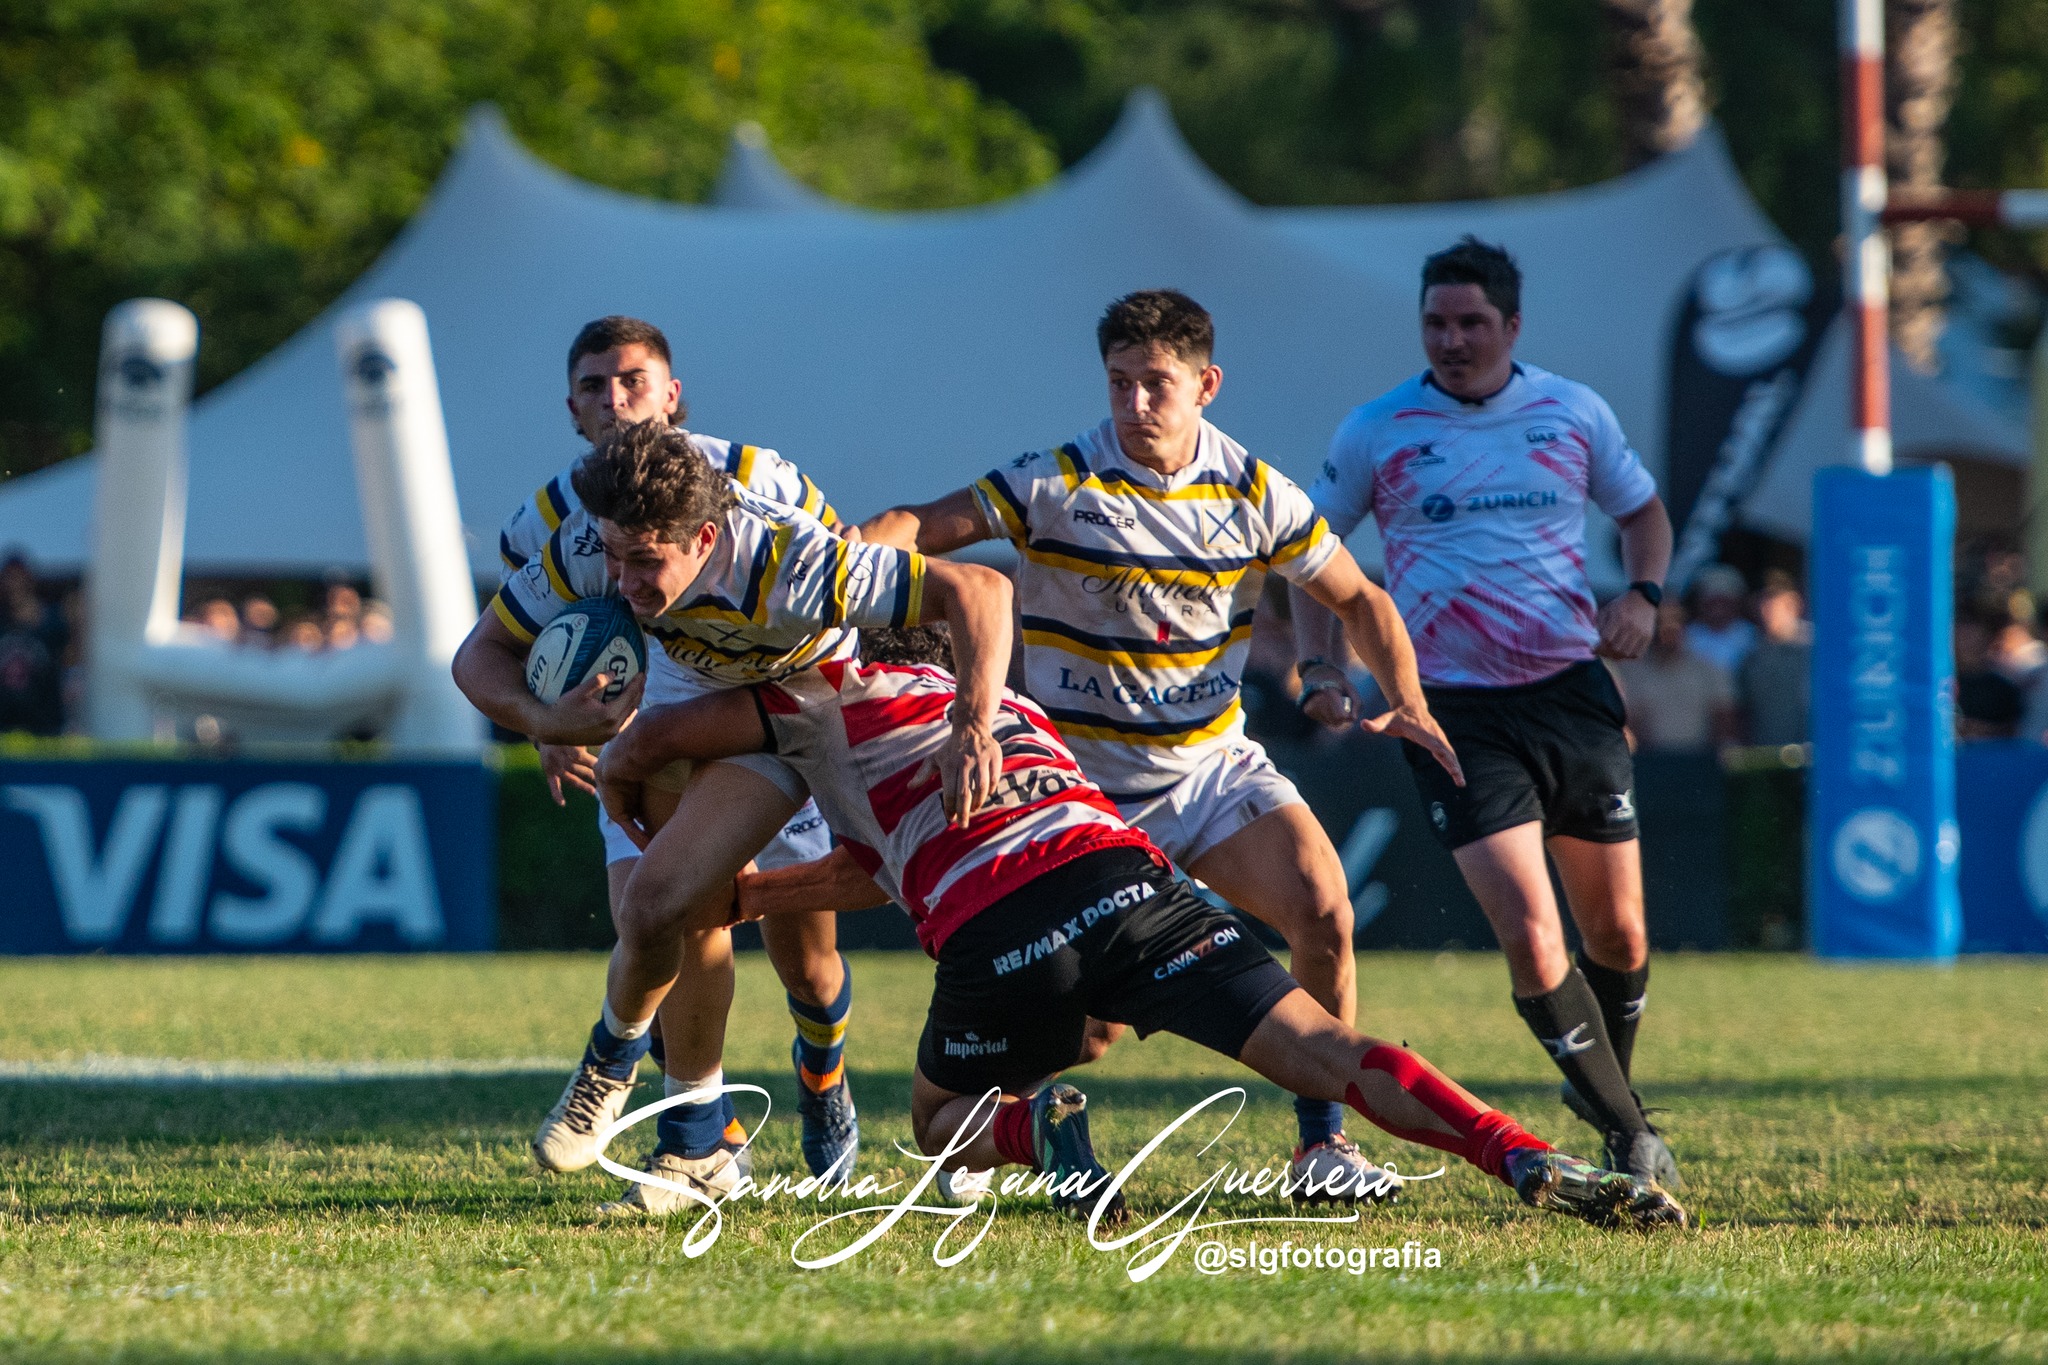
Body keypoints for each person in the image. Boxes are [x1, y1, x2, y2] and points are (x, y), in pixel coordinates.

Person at [592, 640, 1687, 1232]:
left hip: (1001, 926)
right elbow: (875, 870)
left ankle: (1039, 1134)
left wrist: (618, 775)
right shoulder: (1009, 710)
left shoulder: (823, 696)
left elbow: (669, 730)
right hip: (1129, 882)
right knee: (1333, 1051)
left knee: (936, 1122)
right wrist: (752, 899)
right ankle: (1520, 1152)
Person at [859, 290, 1465, 1198]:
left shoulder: (1256, 492)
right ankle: (999, 1122)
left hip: (1208, 768)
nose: (1135, 404)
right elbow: (920, 522)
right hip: (1078, 793)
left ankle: (1322, 1148)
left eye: (1156, 384)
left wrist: (1407, 700)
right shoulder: (1057, 480)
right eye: (1119, 383)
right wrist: (842, 563)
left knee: (1323, 907)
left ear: (1206, 385)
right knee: (1088, 1030)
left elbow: (1359, 598)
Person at [452, 418, 1016, 1214]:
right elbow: (476, 656)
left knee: (839, 942)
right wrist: (547, 721)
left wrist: (973, 724)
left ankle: (861, 1071)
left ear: (706, 538)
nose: (621, 582)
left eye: (645, 562)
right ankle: (671, 1123)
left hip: (810, 710)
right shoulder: (587, 544)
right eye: (613, 555)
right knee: (655, 904)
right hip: (706, 712)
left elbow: (982, 589)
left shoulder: (792, 564)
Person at [1291, 236, 1680, 1187]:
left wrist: (1643, 596)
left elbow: (1644, 512)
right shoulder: (1379, 428)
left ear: (1512, 325)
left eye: (1471, 323)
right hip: (1450, 711)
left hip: (1571, 696)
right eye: (1436, 323)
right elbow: (1308, 551)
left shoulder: (1572, 411)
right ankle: (1630, 1133)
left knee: (1619, 935)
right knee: (1533, 935)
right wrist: (1319, 663)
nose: (1452, 340)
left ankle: (1606, 1095)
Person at [495, 315, 867, 1190]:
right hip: (650, 739)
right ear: (571, 408)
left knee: (808, 966)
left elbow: (844, 573)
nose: (615, 399)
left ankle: (823, 1071)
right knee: (656, 918)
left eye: (633, 380)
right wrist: (546, 721)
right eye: (594, 386)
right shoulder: (547, 523)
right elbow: (530, 647)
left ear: (672, 393)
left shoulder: (760, 479)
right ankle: (704, 1136)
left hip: (776, 722)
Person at [1612, 602, 1737, 753]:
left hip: (1699, 758)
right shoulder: (1630, 672)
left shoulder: (1709, 670)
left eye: (1675, 621)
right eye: (1660, 622)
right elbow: (1626, 723)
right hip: (1648, 758)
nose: (1668, 628)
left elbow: (1724, 720)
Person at [1738, 574, 1811, 748]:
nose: (1766, 611)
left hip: (1812, 754)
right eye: (1763, 604)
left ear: (1793, 604)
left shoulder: (1817, 650)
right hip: (1767, 752)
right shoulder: (1752, 657)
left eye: (1773, 604)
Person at [1680, 564, 1755, 677]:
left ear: (1737, 603)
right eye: (1712, 602)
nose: (1718, 608)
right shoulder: (1686, 636)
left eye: (1724, 602)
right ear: (1700, 603)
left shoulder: (1750, 636)